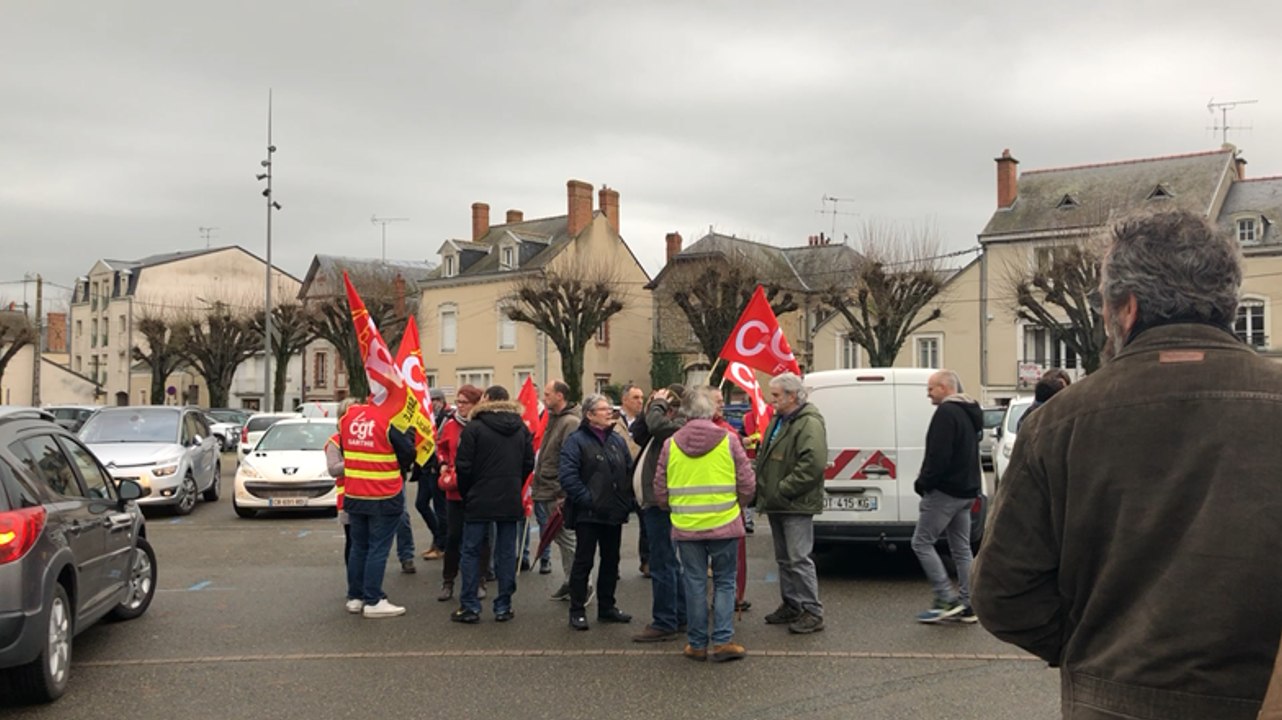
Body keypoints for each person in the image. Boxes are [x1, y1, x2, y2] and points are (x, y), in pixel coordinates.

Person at [973, 209, 1282, 719]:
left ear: (1128, 308)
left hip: (1115, 703)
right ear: (1227, 302)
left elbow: (1003, 593)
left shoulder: (1058, 422)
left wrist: (1095, 654)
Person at [655, 386, 756, 662]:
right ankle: (722, 641)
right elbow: (747, 483)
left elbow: (660, 490)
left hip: (687, 525)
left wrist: (673, 507)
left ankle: (697, 643)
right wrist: (739, 505)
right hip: (724, 522)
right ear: (712, 411)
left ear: (685, 413)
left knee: (695, 583)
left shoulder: (671, 444)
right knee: (724, 581)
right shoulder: (729, 440)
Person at [451, 385, 534, 624]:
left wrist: (469, 492)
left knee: (471, 552)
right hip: (509, 496)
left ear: (485, 400)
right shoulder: (520, 428)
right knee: (506, 553)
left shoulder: (474, 427)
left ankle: (470, 606)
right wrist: (514, 484)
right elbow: (528, 463)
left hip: (479, 496)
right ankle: (504, 605)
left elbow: (463, 466)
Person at [755, 372, 827, 634]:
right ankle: (791, 604)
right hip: (779, 501)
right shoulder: (780, 420)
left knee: (799, 558)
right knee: (785, 559)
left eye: (775, 395)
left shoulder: (808, 423)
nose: (771, 400)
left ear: (792, 395)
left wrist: (783, 490)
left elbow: (813, 463)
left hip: (793, 502)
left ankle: (812, 611)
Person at [910, 369, 982, 624]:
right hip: (966, 491)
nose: (928, 394)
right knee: (962, 548)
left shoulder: (946, 413)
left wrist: (923, 483)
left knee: (921, 542)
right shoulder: (969, 412)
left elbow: (938, 456)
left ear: (944, 387)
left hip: (945, 491)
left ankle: (945, 598)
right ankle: (969, 603)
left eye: (931, 388)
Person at [559, 393, 636, 630]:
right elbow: (568, 476)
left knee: (611, 561)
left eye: (609, 409)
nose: (609, 413)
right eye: (603, 409)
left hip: (613, 512)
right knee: (583, 562)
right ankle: (577, 609)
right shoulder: (576, 441)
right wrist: (587, 499)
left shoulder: (616, 440)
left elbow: (628, 470)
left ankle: (607, 607)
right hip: (588, 514)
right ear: (590, 415)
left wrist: (625, 500)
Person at [340, 396, 417, 618]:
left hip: (355, 492)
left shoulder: (349, 417)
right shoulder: (389, 419)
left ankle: (356, 597)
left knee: (358, 546)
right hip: (384, 492)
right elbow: (408, 453)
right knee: (378, 548)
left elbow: (346, 448)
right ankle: (373, 600)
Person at [629, 385, 688, 642]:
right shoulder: (662, 421)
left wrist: (658, 406)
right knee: (668, 562)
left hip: (663, 503)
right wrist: (652, 406)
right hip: (654, 502)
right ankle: (680, 615)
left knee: (663, 562)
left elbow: (656, 427)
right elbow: (639, 432)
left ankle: (665, 620)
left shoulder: (680, 425)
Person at [436, 385, 490, 603]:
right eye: (458, 402)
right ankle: (448, 581)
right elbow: (441, 447)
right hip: (455, 491)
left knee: (481, 538)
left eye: (464, 402)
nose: (460, 406)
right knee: (454, 537)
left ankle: (480, 580)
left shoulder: (482, 426)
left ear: (476, 404)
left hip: (478, 491)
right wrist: (442, 463)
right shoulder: (450, 425)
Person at [531, 381, 582, 593]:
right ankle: (571, 581)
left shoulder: (569, 422)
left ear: (560, 396)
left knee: (568, 539)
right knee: (562, 539)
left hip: (557, 490)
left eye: (548, 394)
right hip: (548, 487)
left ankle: (580, 585)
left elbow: (569, 459)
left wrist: (563, 491)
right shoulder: (554, 419)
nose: (544, 397)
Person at [615, 383, 649, 576]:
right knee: (615, 526)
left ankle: (646, 561)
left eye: (642, 398)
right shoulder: (614, 421)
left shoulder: (646, 422)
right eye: (636, 398)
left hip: (640, 479)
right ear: (625, 400)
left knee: (646, 524)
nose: (640, 402)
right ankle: (613, 564)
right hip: (620, 481)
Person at [412, 388, 449, 561]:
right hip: (424, 468)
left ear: (441, 401)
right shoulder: (425, 417)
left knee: (441, 508)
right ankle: (439, 537)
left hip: (436, 468)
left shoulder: (446, 418)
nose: (432, 403)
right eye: (430, 399)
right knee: (421, 504)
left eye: (435, 400)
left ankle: (441, 544)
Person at [325, 398, 357, 569]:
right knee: (353, 542)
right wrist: (356, 461)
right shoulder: (336, 441)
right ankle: (354, 583)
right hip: (347, 499)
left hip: (368, 495)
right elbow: (333, 469)